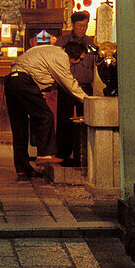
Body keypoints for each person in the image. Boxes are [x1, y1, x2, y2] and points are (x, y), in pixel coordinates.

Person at [4, 30, 86, 179]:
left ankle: (23, 169)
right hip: (23, 80)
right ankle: (45, 155)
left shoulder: (50, 49)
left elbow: (36, 69)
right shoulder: (61, 58)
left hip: (12, 80)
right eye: (80, 59)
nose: (80, 62)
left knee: (20, 127)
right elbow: (70, 84)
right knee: (45, 116)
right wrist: (88, 100)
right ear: (73, 55)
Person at [55, 10, 99, 166]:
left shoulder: (93, 43)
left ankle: (84, 154)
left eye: (85, 26)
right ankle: (62, 155)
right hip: (66, 87)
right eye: (80, 25)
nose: (82, 29)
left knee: (86, 120)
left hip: (86, 86)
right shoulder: (62, 41)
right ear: (73, 25)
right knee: (64, 120)